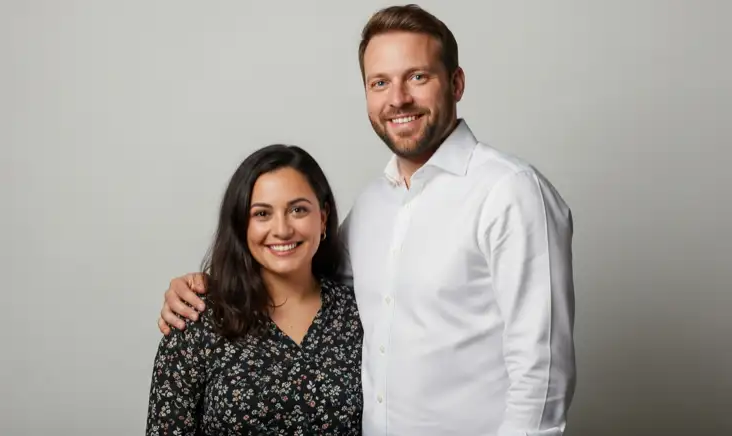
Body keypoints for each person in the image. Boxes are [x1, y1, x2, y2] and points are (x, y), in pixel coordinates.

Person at [157, 4, 576, 436]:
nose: (398, 99)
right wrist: (200, 286)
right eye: (380, 82)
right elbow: (299, 272)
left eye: (417, 76)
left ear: (456, 83)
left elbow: (541, 375)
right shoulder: (373, 204)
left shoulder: (509, 192)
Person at [146, 144, 364, 435]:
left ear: (323, 218)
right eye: (262, 214)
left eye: (298, 210)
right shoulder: (197, 317)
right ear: (241, 224)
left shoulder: (361, 315)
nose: (282, 229)